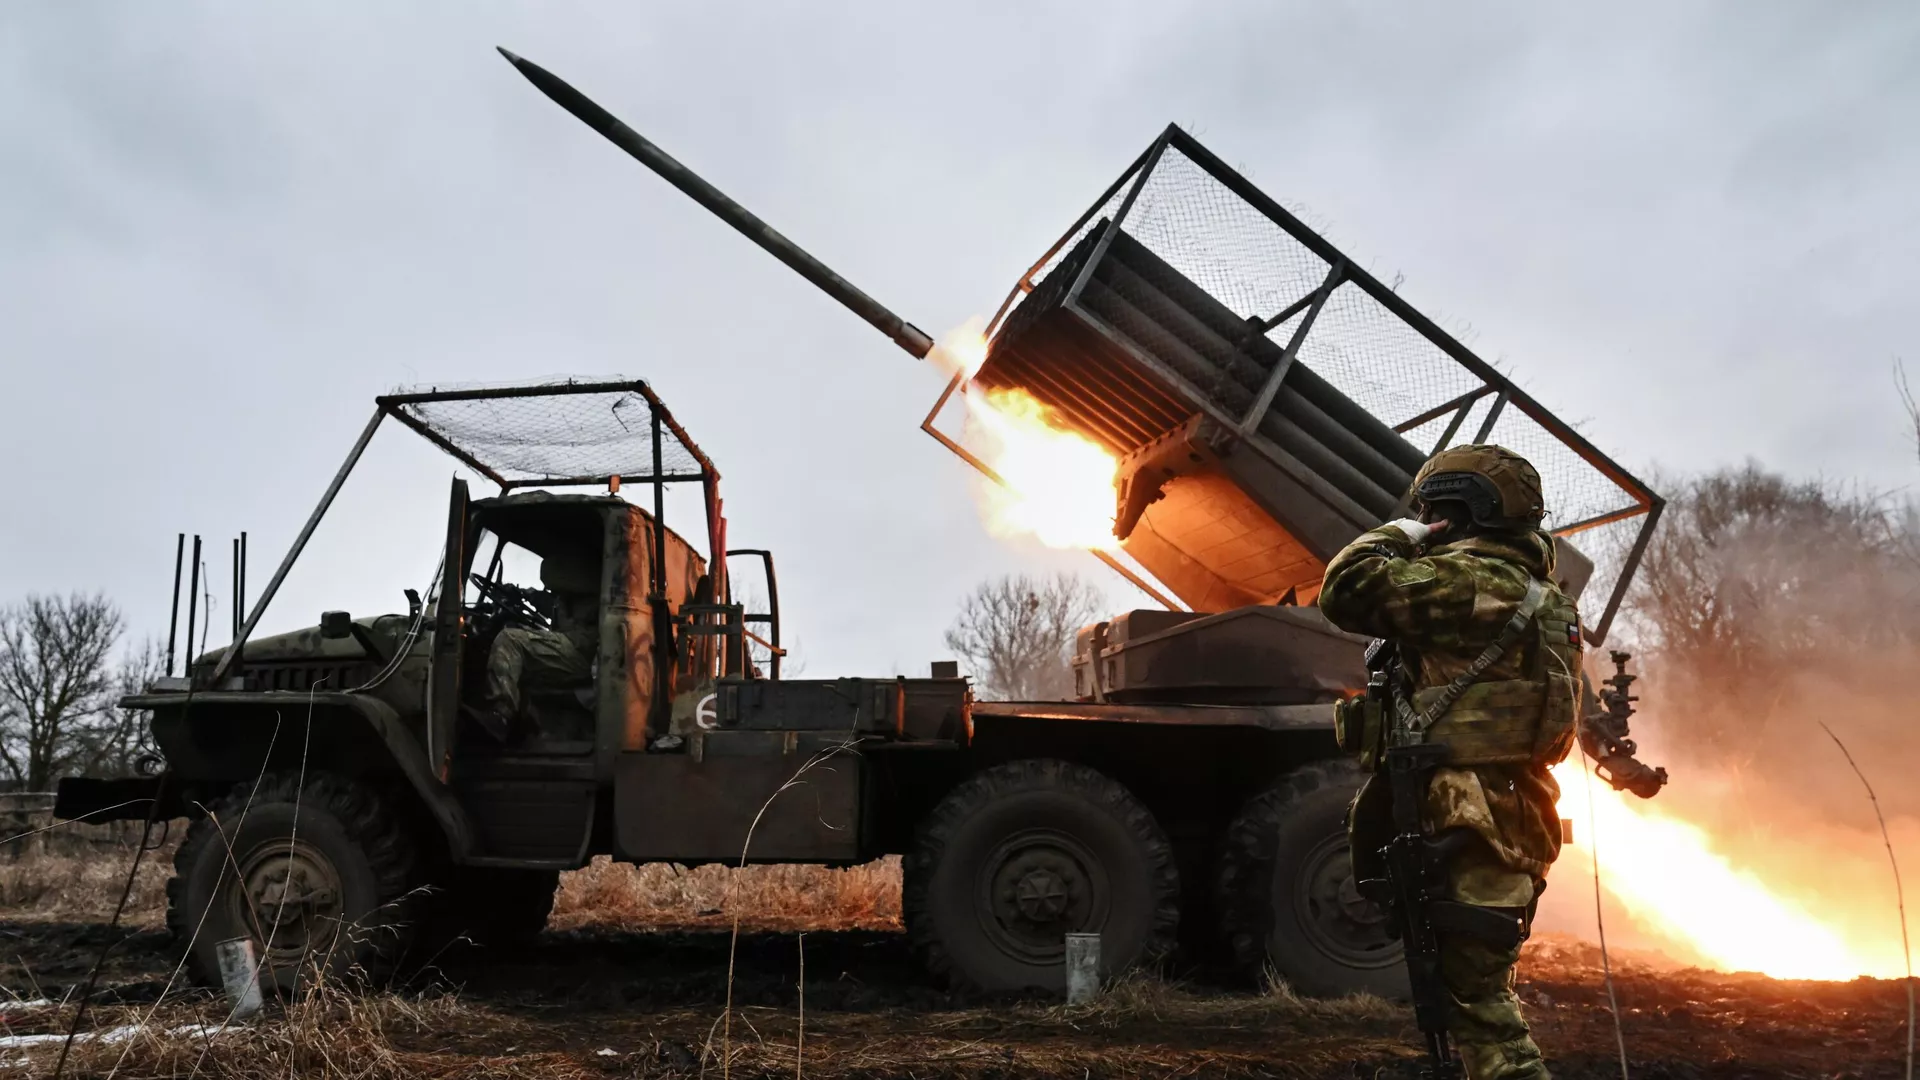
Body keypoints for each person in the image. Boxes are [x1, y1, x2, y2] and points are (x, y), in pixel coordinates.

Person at [1319, 444, 1582, 1080]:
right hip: (1509, 815)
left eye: (1434, 512)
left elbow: (1344, 589)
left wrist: (1401, 534)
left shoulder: (1469, 584)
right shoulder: (1548, 600)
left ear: (1455, 513)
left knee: (1480, 1007)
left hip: (1467, 818)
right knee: (1469, 997)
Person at [471, 556, 600, 742]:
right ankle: (524, 730)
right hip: (576, 650)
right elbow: (550, 603)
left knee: (511, 640)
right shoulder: (567, 596)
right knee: (520, 655)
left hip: (579, 653)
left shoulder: (588, 594)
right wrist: (523, 593)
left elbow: (559, 606)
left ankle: (501, 716)